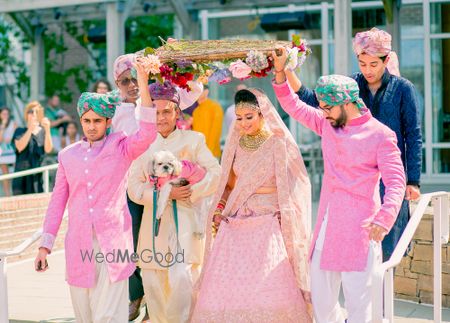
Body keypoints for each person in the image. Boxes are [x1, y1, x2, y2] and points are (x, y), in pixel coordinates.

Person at [272, 47, 406, 323]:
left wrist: (385, 218)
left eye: (328, 107)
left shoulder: (382, 136)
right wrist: (279, 72)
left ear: (347, 102)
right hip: (325, 230)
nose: (324, 113)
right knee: (322, 306)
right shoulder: (327, 123)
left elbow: (396, 182)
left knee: (359, 309)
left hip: (360, 232)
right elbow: (293, 106)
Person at [34, 61, 157, 322]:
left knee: (109, 317)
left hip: (114, 245)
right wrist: (45, 246)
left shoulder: (121, 146)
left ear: (108, 121)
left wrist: (144, 84)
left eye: (97, 121)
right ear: (80, 120)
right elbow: (57, 202)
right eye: (86, 121)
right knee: (85, 317)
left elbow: (147, 133)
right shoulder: (68, 155)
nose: (91, 126)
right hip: (78, 247)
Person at [287, 27, 422, 261]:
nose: (367, 70)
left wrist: (413, 181)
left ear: (386, 60)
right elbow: (315, 100)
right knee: (359, 242)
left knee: (389, 243)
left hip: (391, 174)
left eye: (373, 64)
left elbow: (413, 135)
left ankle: (383, 292)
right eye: (362, 64)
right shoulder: (350, 85)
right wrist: (286, 71)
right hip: (359, 176)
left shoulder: (403, 89)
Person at [191, 88, 312, 322]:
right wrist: (218, 209)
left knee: (267, 286)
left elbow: (293, 183)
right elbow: (228, 185)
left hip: (269, 224)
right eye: (239, 118)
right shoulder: (234, 144)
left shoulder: (277, 143)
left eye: (249, 117)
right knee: (229, 288)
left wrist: (284, 214)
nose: (243, 123)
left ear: (262, 114)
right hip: (236, 223)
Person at [127, 81, 221, 323]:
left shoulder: (194, 140)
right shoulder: (142, 143)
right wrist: (163, 194)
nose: (161, 118)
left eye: (166, 111)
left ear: (177, 112)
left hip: (186, 224)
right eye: (155, 112)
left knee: (183, 281)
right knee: (154, 285)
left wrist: (191, 191)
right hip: (153, 227)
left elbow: (216, 173)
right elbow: (133, 188)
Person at [12, 102, 52, 195]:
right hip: (21, 178)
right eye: (31, 111)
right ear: (26, 114)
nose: (34, 114)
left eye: (36, 111)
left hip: (37, 178)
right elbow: (19, 147)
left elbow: (48, 149)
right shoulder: (19, 131)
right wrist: (30, 129)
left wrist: (48, 129)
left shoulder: (42, 132)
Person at [192, 85, 224, 159]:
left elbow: (216, 131)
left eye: (198, 91)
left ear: (206, 92)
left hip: (211, 154)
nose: (194, 94)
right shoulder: (196, 111)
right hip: (197, 155)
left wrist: (208, 152)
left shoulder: (215, 107)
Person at [0, 107, 17, 196]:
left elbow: (15, 137)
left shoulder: (13, 123)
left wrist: (10, 139)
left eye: (7, 114)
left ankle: (15, 192)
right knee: (5, 175)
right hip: (2, 153)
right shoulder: (1, 125)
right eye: (3, 114)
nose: (5, 116)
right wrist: (2, 126)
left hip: (12, 151)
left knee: (15, 173)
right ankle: (8, 195)